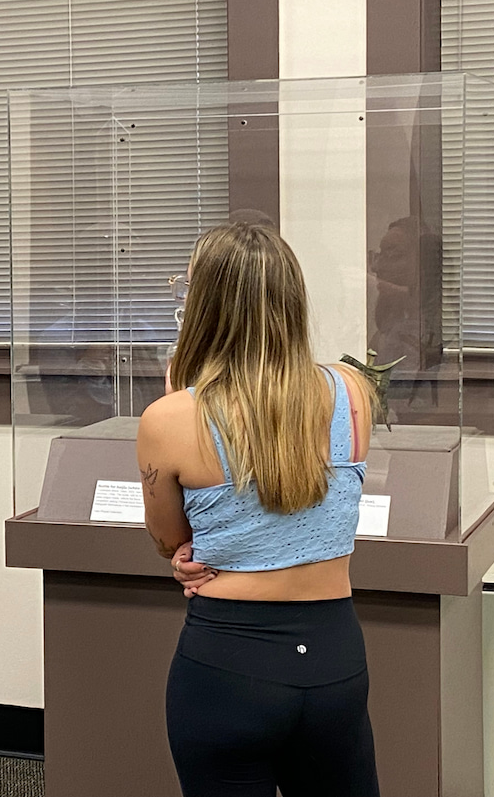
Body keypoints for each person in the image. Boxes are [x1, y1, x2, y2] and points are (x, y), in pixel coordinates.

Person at [137, 221, 380, 796]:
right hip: (334, 658)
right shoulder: (352, 392)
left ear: (205, 306)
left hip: (226, 663)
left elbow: (171, 539)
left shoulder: (171, 418)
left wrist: (182, 393)